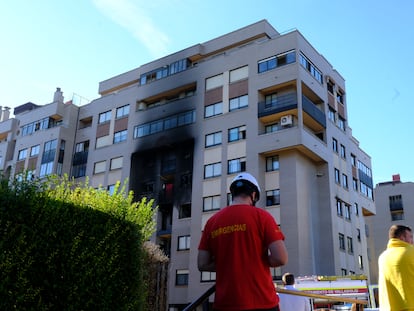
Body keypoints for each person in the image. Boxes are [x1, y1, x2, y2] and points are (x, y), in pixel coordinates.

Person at [198, 172, 288, 311]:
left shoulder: (212, 222)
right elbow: (280, 258)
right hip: (262, 302)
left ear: (233, 194)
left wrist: (229, 263)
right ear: (253, 195)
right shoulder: (262, 217)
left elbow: (202, 263)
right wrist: (258, 260)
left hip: (224, 304)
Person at [378, 224, 414, 310]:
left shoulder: (382, 257)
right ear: (402, 237)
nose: (412, 241)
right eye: (410, 237)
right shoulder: (411, 252)